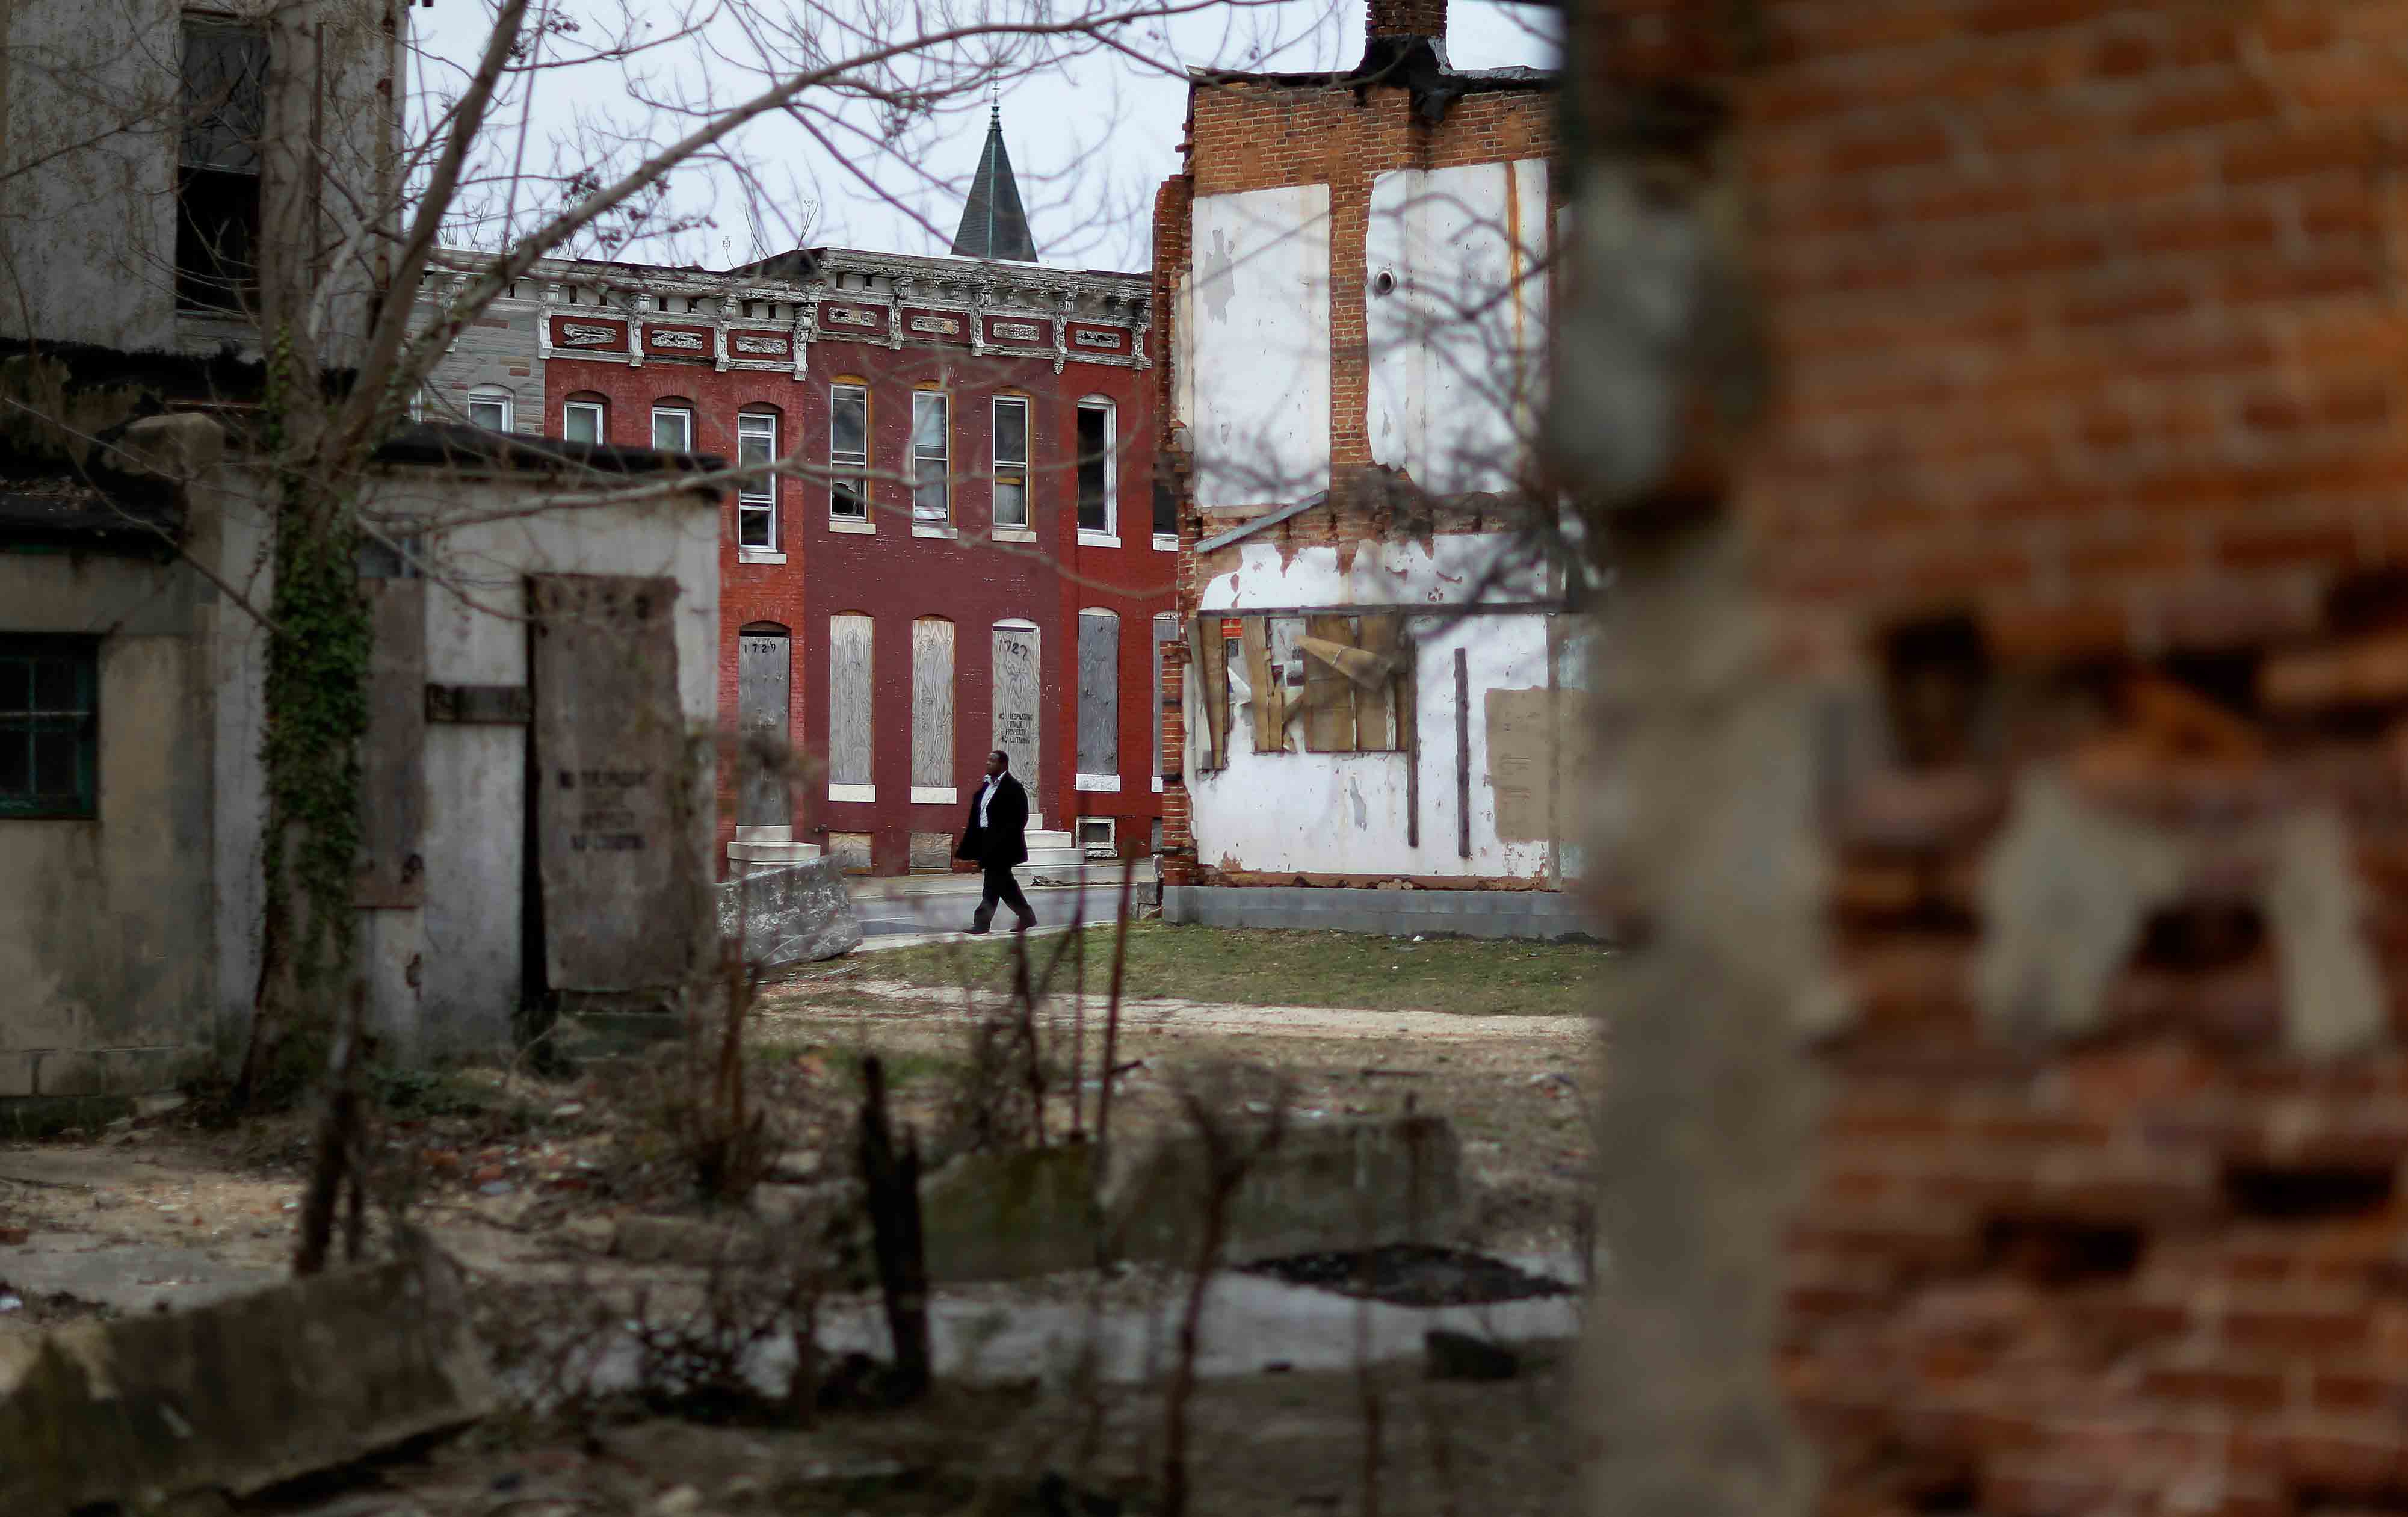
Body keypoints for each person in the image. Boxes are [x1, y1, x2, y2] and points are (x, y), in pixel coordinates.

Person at [956, 748, 1036, 934]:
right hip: (986, 842)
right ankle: (1027, 917)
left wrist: (1002, 839)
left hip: (1003, 846)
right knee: (1005, 884)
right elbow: (979, 816)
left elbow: (1020, 819)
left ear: (1003, 765)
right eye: (987, 760)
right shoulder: (987, 787)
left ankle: (982, 923)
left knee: (991, 884)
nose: (987, 763)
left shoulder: (1013, 788)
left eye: (992, 761)